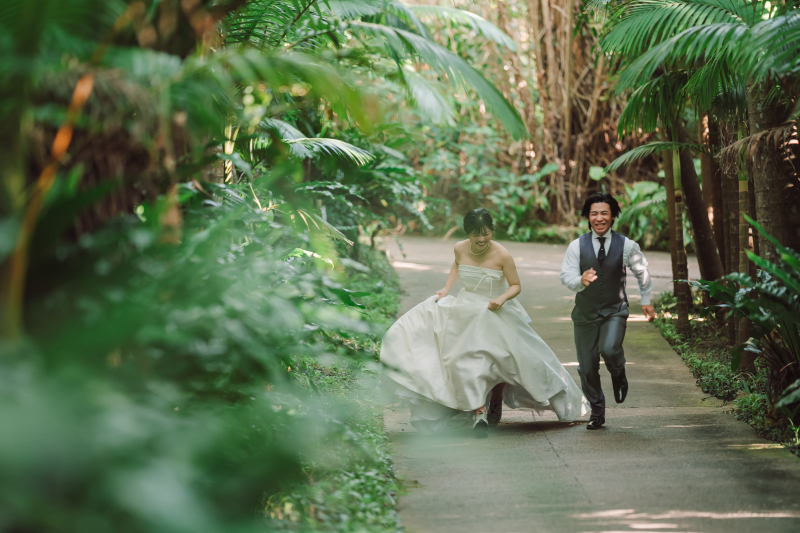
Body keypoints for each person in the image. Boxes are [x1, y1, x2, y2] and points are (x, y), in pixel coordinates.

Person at [381, 209, 589, 438]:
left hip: (493, 309)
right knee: (463, 356)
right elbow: (457, 265)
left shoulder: (502, 254)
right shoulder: (459, 247)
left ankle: (493, 402)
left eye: (486, 233)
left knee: (504, 359)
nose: (481, 239)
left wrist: (501, 298)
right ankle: (477, 409)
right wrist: (446, 288)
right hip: (466, 307)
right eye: (475, 235)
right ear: (467, 234)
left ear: (492, 231)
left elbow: (515, 285)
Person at [560, 193, 655, 430]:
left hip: (614, 309)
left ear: (613, 216)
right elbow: (567, 275)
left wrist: (645, 299)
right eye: (594, 213)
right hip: (585, 313)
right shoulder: (576, 246)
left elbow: (642, 271)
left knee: (610, 349)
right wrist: (579, 281)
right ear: (588, 217)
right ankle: (597, 410)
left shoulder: (627, 245)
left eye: (604, 213)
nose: (599, 218)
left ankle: (618, 373)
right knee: (588, 365)